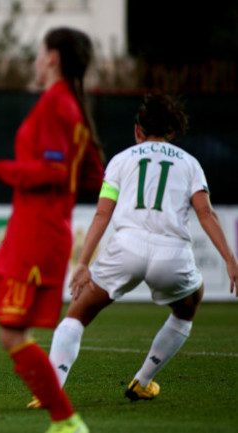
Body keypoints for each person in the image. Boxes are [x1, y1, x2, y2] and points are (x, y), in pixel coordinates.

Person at [0, 27, 104, 433]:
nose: (35, 59)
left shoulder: (58, 105)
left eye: (40, 51)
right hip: (24, 233)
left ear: (52, 58)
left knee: (11, 333)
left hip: (38, 237)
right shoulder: (68, 106)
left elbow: (56, 170)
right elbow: (94, 174)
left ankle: (67, 422)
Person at [31, 93, 238, 407]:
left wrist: (84, 262)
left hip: (126, 249)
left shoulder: (121, 159)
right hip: (173, 253)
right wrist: (230, 258)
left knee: (77, 314)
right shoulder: (189, 163)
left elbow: (103, 213)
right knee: (188, 306)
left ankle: (51, 389)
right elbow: (205, 212)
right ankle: (142, 381)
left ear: (137, 130)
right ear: (171, 132)